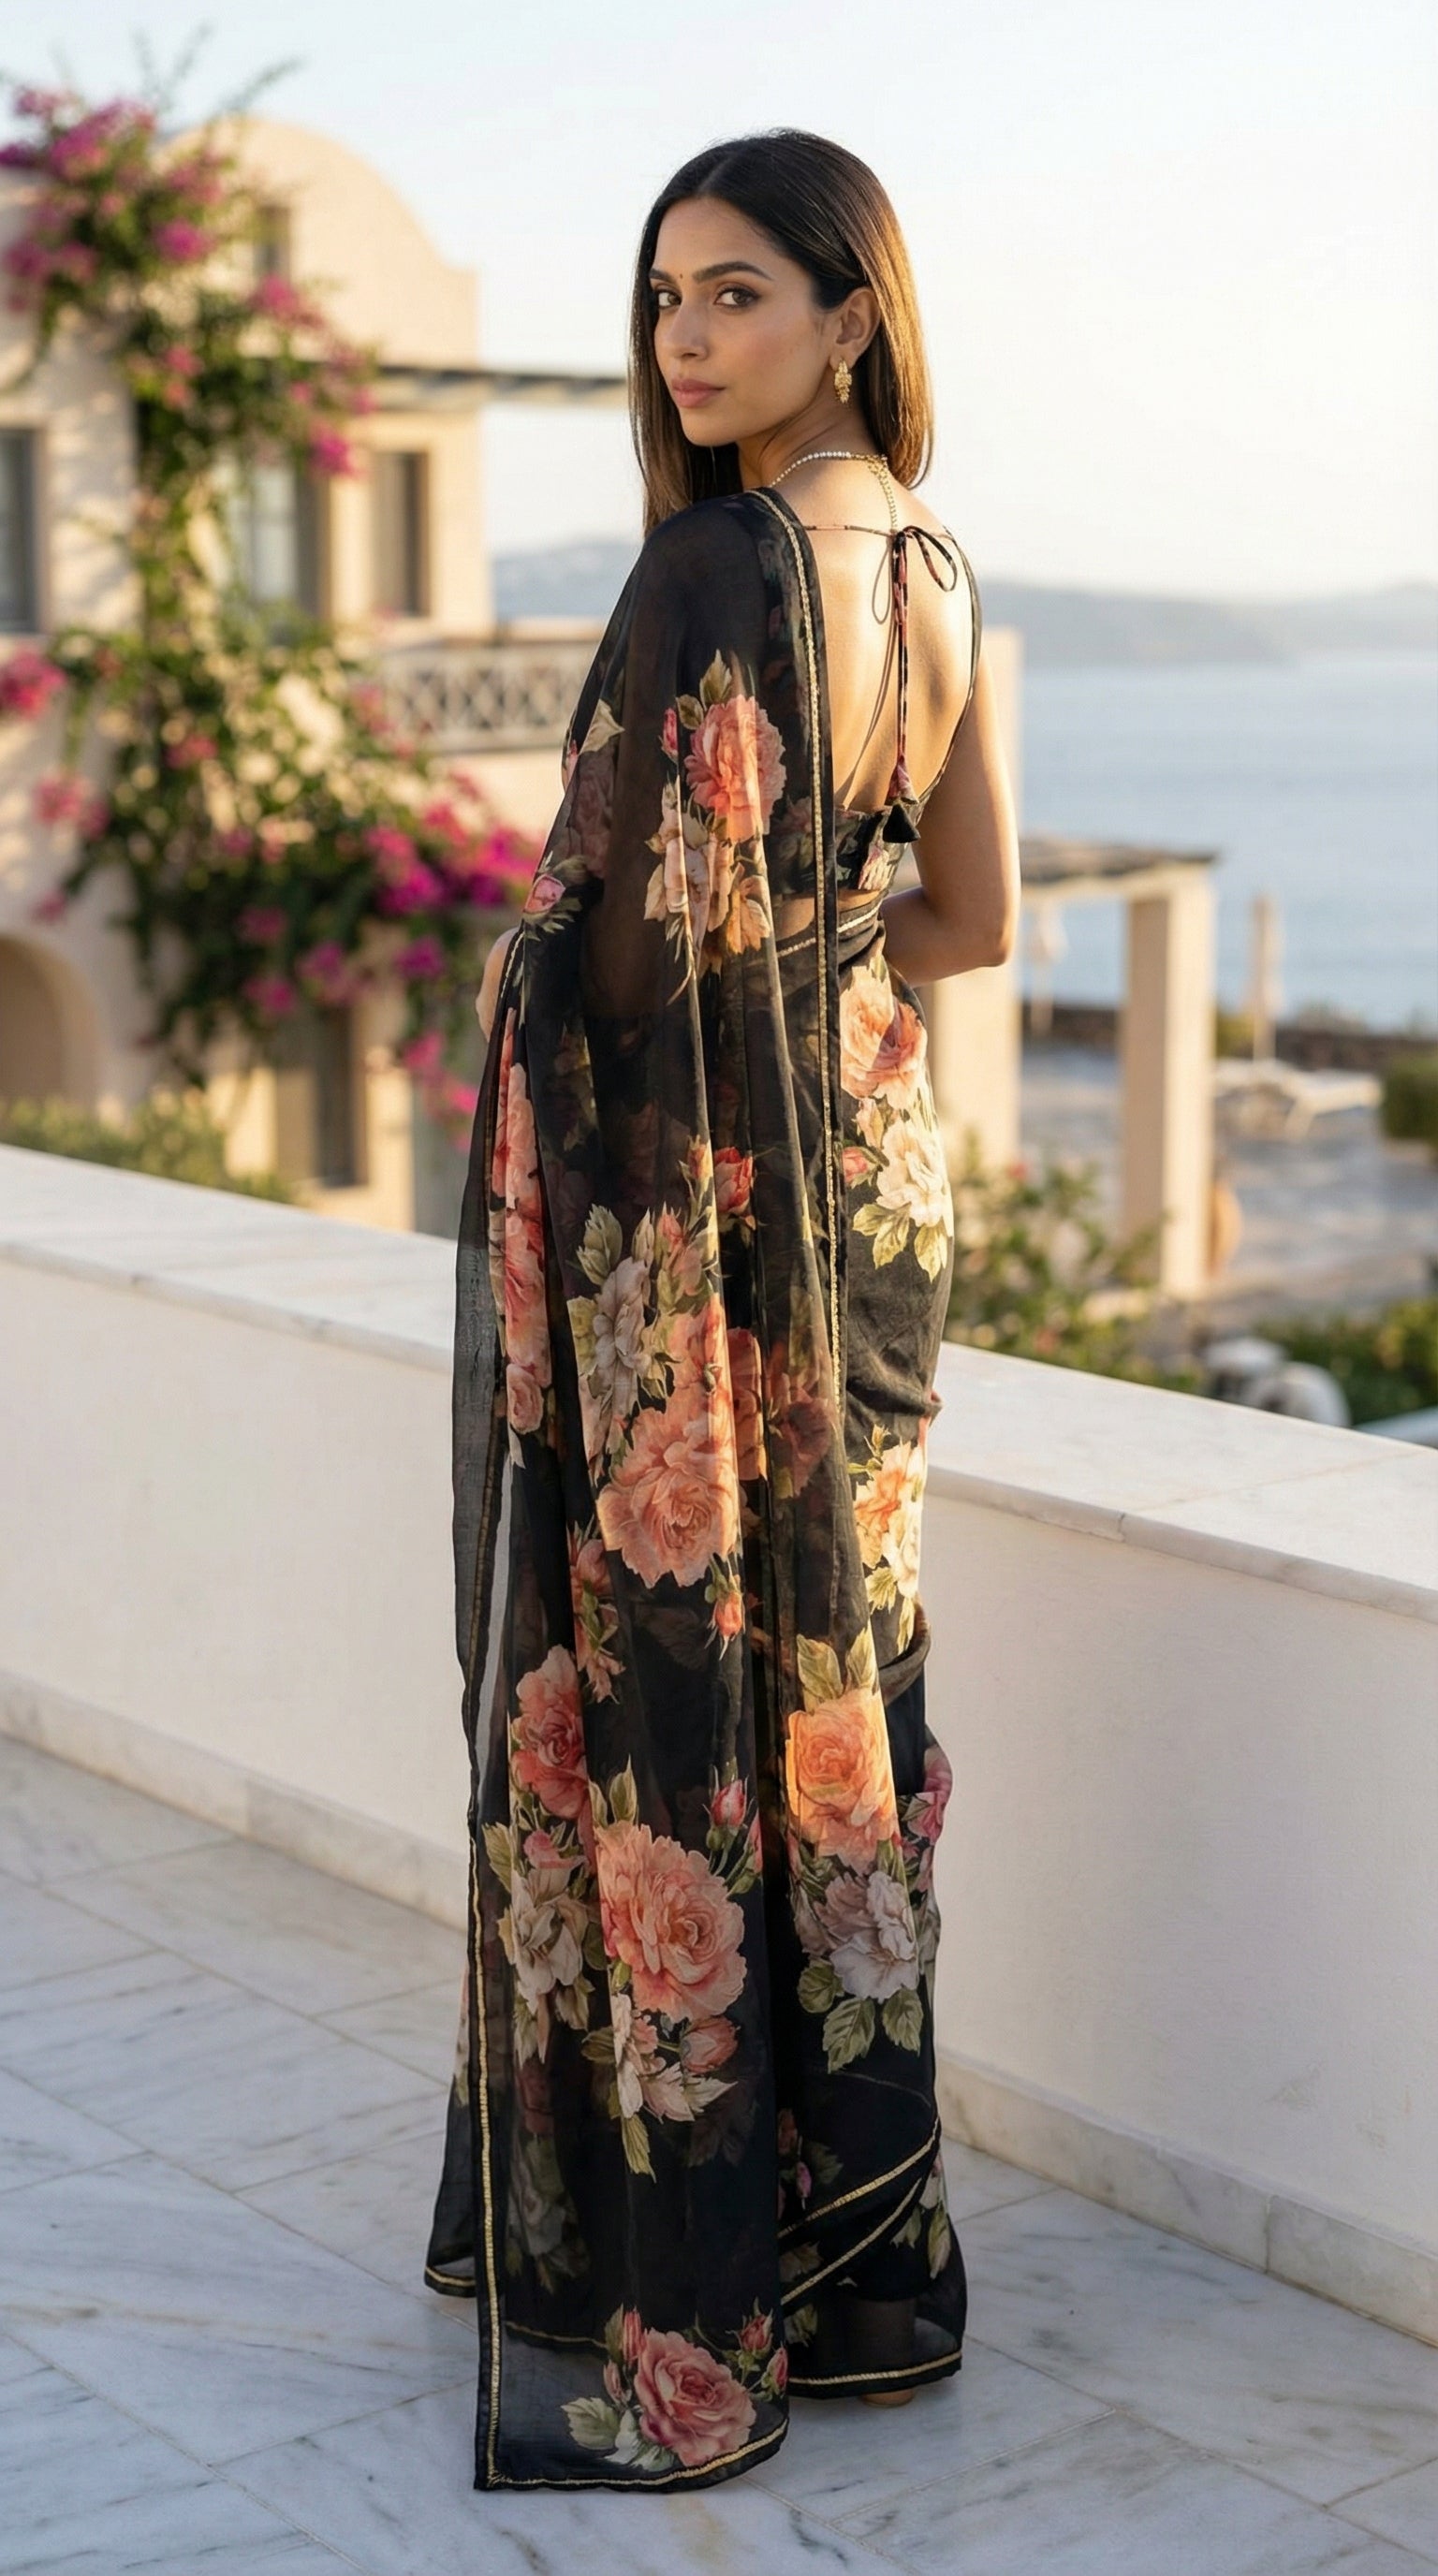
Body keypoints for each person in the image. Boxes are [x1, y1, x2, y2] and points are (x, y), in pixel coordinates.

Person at [425, 127, 1020, 2495]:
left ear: (854, 312)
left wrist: (572, 993)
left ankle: (687, 2277)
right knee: (840, 1699)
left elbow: (608, 944)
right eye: (665, 293)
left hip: (703, 1226)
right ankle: (861, 2265)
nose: (685, 336)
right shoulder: (939, 568)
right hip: (872, 1192)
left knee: (678, 1699)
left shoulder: (711, 566)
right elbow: (968, 919)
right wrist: (806, 970)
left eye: (740, 291)